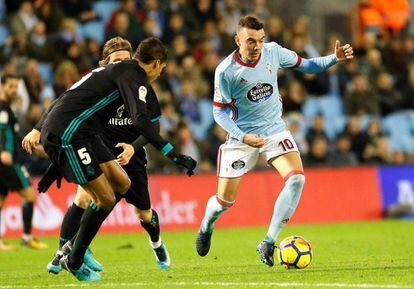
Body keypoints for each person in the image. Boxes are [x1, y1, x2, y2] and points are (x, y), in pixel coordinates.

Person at [30, 37, 196, 281]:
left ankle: (75, 250)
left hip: (86, 133)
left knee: (122, 183)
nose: (160, 74)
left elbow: (69, 99)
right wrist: (174, 154)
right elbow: (141, 120)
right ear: (156, 64)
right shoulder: (133, 76)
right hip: (71, 133)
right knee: (103, 197)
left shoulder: (117, 73)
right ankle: (73, 258)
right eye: (161, 69)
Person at [195, 16, 354, 267]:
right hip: (242, 137)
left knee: (297, 179)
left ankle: (269, 241)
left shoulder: (274, 52)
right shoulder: (226, 71)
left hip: (274, 130)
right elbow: (219, 111)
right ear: (237, 40)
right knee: (224, 202)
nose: (256, 46)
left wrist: (334, 59)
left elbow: (308, 65)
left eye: (260, 40)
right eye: (250, 41)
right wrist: (242, 136)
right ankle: (207, 224)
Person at [0, 74, 48, 251]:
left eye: (16, 87)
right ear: (2, 86)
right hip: (10, 160)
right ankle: (27, 237)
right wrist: (4, 150)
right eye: (10, 86)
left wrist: (34, 147)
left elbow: (13, 134)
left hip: (7, 159)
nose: (13, 90)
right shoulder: (3, 108)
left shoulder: (7, 109)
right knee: (29, 195)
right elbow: (2, 130)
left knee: (1, 199)